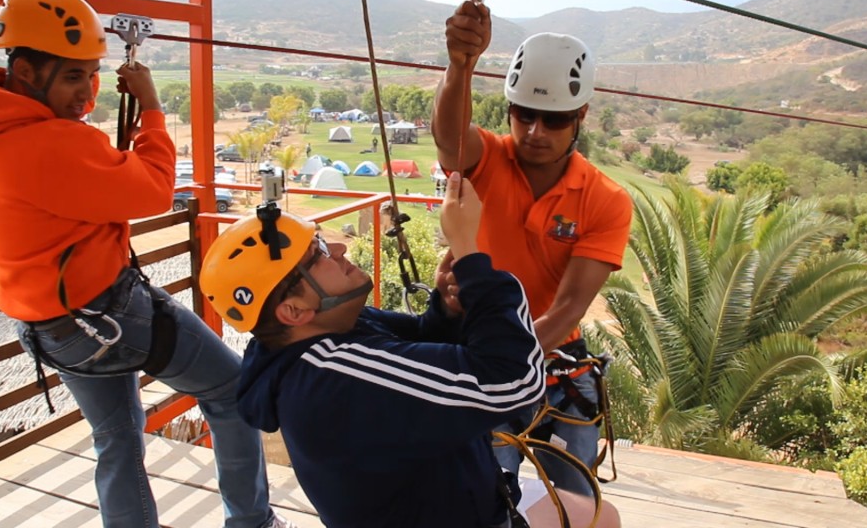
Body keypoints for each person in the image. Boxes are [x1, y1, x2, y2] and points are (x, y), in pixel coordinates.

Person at [0, 0, 291, 528]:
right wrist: (150, 107)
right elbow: (151, 190)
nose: (87, 94)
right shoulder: (47, 142)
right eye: (74, 76)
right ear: (28, 71)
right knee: (232, 390)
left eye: (90, 74)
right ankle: (253, 522)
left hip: (46, 323)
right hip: (107, 312)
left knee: (118, 439)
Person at [199, 174, 621, 527]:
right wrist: (474, 259)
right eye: (319, 255)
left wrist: (447, 312)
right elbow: (513, 382)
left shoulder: (331, 332)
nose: (340, 249)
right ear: (293, 310)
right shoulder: (333, 379)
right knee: (603, 519)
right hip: (465, 514)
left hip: (464, 497)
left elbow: (418, 345)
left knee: (604, 518)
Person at [432, 1, 633, 497]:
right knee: (482, 492)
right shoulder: (490, 160)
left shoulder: (605, 200)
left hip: (550, 356)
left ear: (581, 115)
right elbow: (448, 136)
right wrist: (461, 64)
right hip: (480, 348)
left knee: (573, 496)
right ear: (510, 112)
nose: (535, 132)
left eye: (554, 119)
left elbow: (567, 308)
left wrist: (505, 359)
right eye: (524, 116)